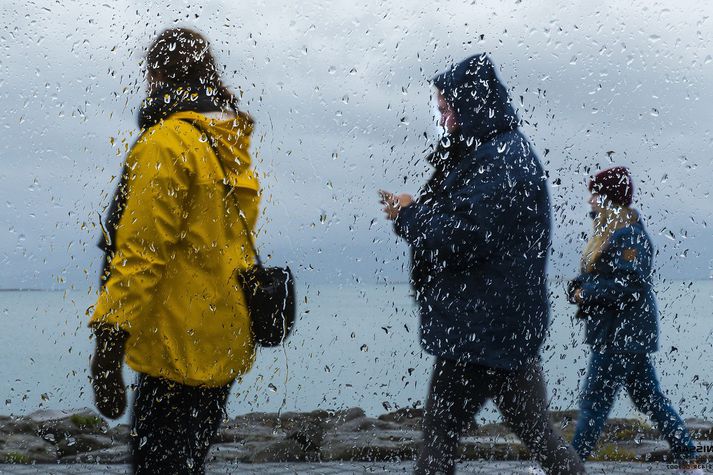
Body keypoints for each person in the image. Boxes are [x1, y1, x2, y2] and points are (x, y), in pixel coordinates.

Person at [380, 54, 585, 475]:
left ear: (470, 105)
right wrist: (417, 209)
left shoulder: (500, 159)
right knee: (540, 440)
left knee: (437, 445)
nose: (445, 121)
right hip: (500, 325)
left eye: (447, 110)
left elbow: (467, 236)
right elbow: (473, 220)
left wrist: (409, 218)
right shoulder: (499, 152)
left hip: (478, 328)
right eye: (440, 112)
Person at [89, 28, 260, 474]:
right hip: (221, 339)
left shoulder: (166, 142)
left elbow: (142, 253)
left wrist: (108, 343)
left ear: (156, 75)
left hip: (175, 348)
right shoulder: (226, 145)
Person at [569, 167, 703, 474]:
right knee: (650, 400)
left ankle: (569, 466)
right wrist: (577, 286)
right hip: (620, 334)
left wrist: (586, 293)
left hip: (621, 336)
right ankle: (690, 461)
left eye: (596, 194)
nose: (590, 200)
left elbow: (629, 284)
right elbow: (602, 276)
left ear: (608, 198)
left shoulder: (629, 235)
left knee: (594, 402)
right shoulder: (610, 232)